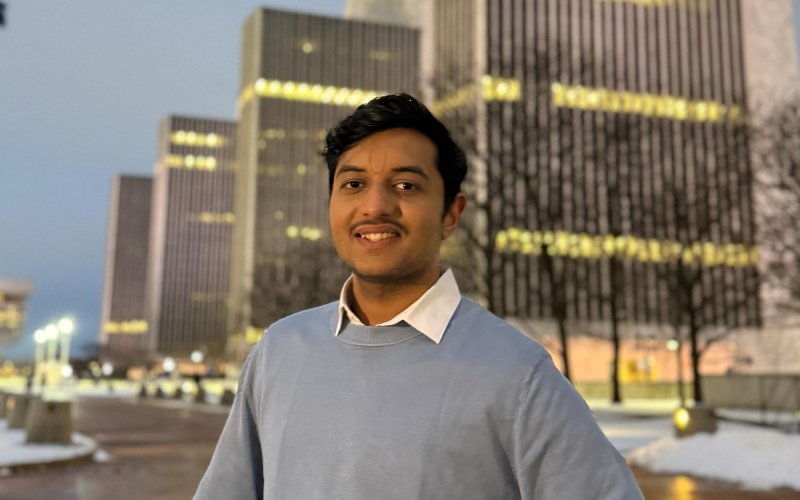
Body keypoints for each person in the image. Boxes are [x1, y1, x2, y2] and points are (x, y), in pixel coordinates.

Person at [194, 94, 643, 499]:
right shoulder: (279, 350)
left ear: (451, 213)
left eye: (406, 185)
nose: (375, 206)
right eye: (353, 184)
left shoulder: (517, 374)